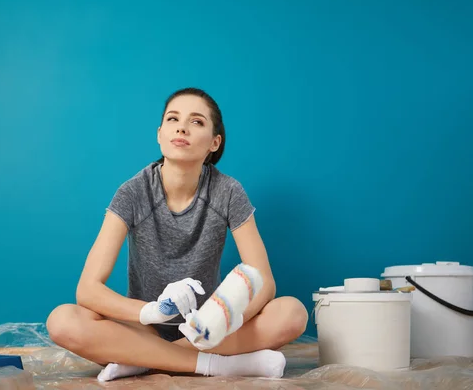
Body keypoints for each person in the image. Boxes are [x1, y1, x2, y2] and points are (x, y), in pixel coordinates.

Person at [46, 87, 308, 381]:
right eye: (173, 119)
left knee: (292, 312)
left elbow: (264, 282)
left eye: (196, 122)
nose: (182, 126)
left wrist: (217, 322)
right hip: (142, 328)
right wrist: (151, 311)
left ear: (214, 142)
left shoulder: (228, 191)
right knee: (63, 320)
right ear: (160, 134)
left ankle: (144, 360)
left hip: (208, 331)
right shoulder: (133, 192)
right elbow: (87, 290)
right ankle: (215, 366)